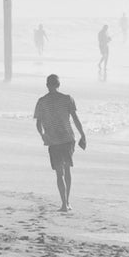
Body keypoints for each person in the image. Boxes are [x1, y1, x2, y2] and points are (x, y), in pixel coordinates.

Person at [34, 74, 88, 212]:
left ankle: (64, 203)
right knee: (67, 169)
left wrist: (43, 136)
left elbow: (38, 124)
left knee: (59, 173)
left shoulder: (41, 101)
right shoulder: (67, 99)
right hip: (68, 139)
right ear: (59, 85)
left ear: (47, 85)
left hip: (53, 140)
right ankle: (67, 203)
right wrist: (83, 135)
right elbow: (75, 119)